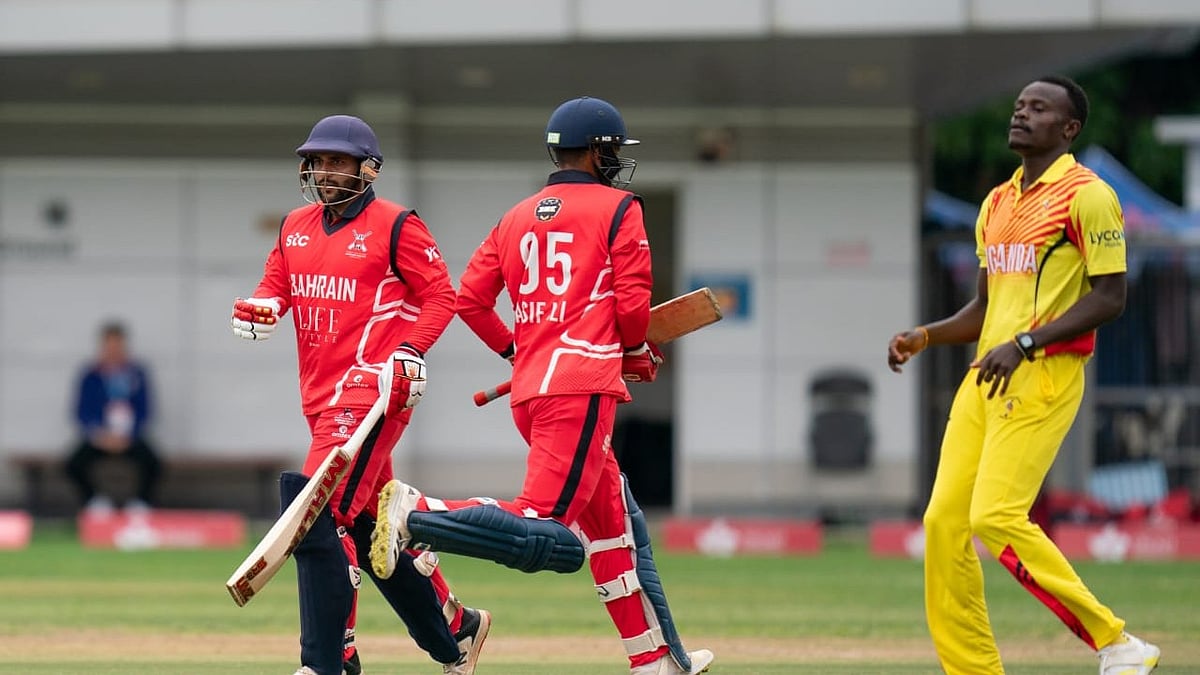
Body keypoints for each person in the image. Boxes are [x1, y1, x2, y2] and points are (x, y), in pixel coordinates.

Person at [368, 96, 715, 675]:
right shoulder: (620, 207)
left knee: (616, 529)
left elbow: (470, 301)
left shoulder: (516, 215)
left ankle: (654, 659)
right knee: (546, 530)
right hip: (579, 390)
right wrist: (629, 347)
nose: (615, 160)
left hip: (535, 391)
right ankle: (419, 512)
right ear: (599, 150)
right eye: (612, 150)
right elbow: (631, 315)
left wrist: (516, 349)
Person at [887, 76, 1160, 675]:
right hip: (986, 376)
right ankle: (973, 670)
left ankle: (1117, 643)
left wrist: (1028, 342)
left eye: (1039, 109)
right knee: (943, 523)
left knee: (995, 518)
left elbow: (1111, 297)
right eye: (1018, 106)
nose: (1022, 114)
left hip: (1044, 374)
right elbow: (985, 309)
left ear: (1068, 129)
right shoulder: (997, 202)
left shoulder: (1088, 196)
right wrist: (927, 335)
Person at [230, 114, 489, 675]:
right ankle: (456, 630)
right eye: (318, 162)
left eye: (337, 162)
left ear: (367, 169)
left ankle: (332, 659)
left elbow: (441, 297)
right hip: (320, 395)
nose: (325, 172)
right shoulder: (294, 226)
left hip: (372, 392)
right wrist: (263, 308)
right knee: (373, 526)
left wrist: (411, 350)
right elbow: (276, 286)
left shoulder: (397, 225)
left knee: (317, 518)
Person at [66, 320, 162, 515]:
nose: (114, 350)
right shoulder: (91, 375)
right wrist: (99, 434)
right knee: (73, 464)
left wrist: (130, 435)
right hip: (100, 437)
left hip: (129, 438)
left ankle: (140, 503)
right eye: (109, 345)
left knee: (153, 463)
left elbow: (145, 409)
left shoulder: (136, 374)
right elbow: (81, 411)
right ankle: (94, 502)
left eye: (117, 345)